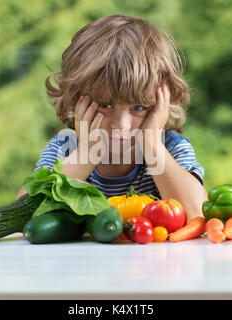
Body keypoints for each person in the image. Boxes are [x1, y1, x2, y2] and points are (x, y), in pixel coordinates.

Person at [17, 14, 207, 222]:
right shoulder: (65, 149)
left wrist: (152, 145)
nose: (122, 125)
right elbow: (25, 217)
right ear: (76, 100)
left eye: (138, 107)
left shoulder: (171, 148)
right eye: (105, 105)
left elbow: (198, 215)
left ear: (161, 103)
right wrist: (86, 155)